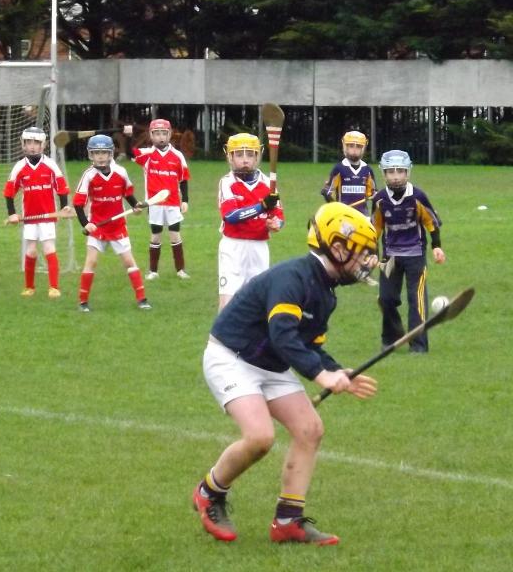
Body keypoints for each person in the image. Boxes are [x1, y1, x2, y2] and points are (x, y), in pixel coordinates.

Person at [192, 201, 380, 545]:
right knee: (260, 437)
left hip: (271, 364)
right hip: (231, 357)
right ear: (336, 247)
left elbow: (309, 345)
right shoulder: (293, 278)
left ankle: (288, 521)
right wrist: (321, 377)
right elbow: (283, 334)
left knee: (310, 429)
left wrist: (338, 370)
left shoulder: (326, 293)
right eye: (361, 252)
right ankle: (209, 492)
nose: (367, 260)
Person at [372, 150, 445, 353]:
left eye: (400, 171)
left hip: (415, 255)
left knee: (417, 300)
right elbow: (374, 230)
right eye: (391, 172)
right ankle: (391, 338)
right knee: (386, 299)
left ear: (408, 172)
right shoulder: (379, 199)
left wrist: (436, 246)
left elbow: (431, 223)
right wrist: (371, 254)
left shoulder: (418, 196)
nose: (396, 176)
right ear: (383, 174)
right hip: (390, 257)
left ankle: (419, 346)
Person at [73, 134, 150, 312]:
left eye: (103, 153)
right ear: (90, 155)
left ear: (110, 154)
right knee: (91, 262)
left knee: (129, 262)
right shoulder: (89, 176)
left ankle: (142, 299)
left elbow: (128, 193)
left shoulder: (121, 172)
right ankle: (83, 302)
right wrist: (86, 224)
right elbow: (78, 204)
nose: (100, 156)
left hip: (117, 226)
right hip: (97, 226)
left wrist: (135, 206)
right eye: (96, 153)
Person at [217, 133, 284, 311]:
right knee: (227, 306)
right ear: (230, 157)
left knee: (260, 305)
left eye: (250, 154)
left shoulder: (269, 184)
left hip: (259, 248)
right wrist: (261, 207)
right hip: (233, 248)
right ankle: (221, 339)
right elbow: (230, 216)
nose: (245, 160)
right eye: (239, 155)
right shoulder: (227, 183)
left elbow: (279, 215)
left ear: (257, 156)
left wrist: (276, 223)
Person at [4, 127, 72, 298]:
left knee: (49, 248)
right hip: (29, 218)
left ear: (43, 145)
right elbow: (9, 192)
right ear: (23, 145)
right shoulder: (19, 167)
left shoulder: (50, 165)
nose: (32, 146)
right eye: (28, 142)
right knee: (31, 251)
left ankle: (54, 287)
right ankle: (29, 287)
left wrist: (64, 208)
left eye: (36, 143)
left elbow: (62, 189)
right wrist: (12, 213)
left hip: (48, 217)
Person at [124, 119, 191, 280]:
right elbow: (129, 153)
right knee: (156, 236)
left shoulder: (177, 156)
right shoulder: (147, 154)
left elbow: (183, 179)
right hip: (154, 204)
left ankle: (180, 270)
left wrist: (185, 200)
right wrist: (128, 136)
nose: (161, 137)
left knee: (175, 235)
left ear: (169, 135)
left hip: (173, 203)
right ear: (151, 136)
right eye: (157, 134)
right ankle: (153, 271)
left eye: (164, 134)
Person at [320, 131, 376, 216]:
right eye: (351, 146)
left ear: (363, 148)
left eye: (358, 146)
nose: (354, 149)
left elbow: (373, 194)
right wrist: (336, 209)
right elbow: (327, 192)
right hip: (343, 215)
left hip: (362, 216)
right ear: (345, 147)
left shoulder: (367, 170)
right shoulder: (339, 168)